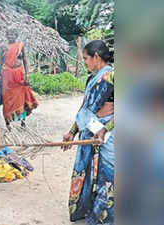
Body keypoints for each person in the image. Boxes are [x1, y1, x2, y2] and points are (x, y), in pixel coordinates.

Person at [62, 40, 114, 225]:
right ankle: (86, 210)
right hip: (89, 131)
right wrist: (71, 132)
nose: (84, 62)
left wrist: (105, 129)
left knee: (108, 174)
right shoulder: (91, 79)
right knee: (87, 172)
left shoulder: (115, 76)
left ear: (96, 57)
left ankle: (105, 218)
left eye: (85, 58)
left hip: (108, 135)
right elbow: (84, 108)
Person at [1, 29, 38, 129]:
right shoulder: (3, 47)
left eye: (12, 34)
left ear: (16, 35)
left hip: (19, 74)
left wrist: (27, 75)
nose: (10, 36)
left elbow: (25, 59)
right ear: (6, 35)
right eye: (8, 34)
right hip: (7, 76)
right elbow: (0, 61)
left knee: (21, 98)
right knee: (7, 99)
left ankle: (23, 121)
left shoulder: (20, 45)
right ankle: (8, 123)